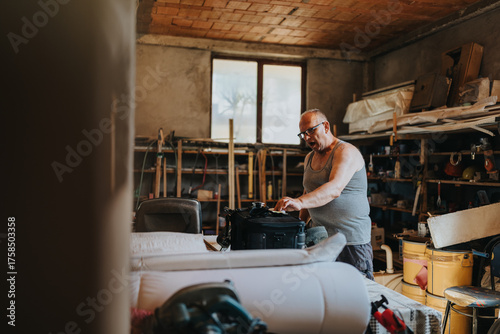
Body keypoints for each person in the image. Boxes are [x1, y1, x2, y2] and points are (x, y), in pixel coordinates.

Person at [274, 109, 373, 280]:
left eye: (311, 130)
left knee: (354, 296)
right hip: (321, 240)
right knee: (326, 292)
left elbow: (334, 189)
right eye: (302, 134)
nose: (306, 137)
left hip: (350, 242)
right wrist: (299, 227)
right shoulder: (309, 158)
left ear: (326, 126)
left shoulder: (345, 152)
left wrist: (299, 202)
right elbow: (308, 193)